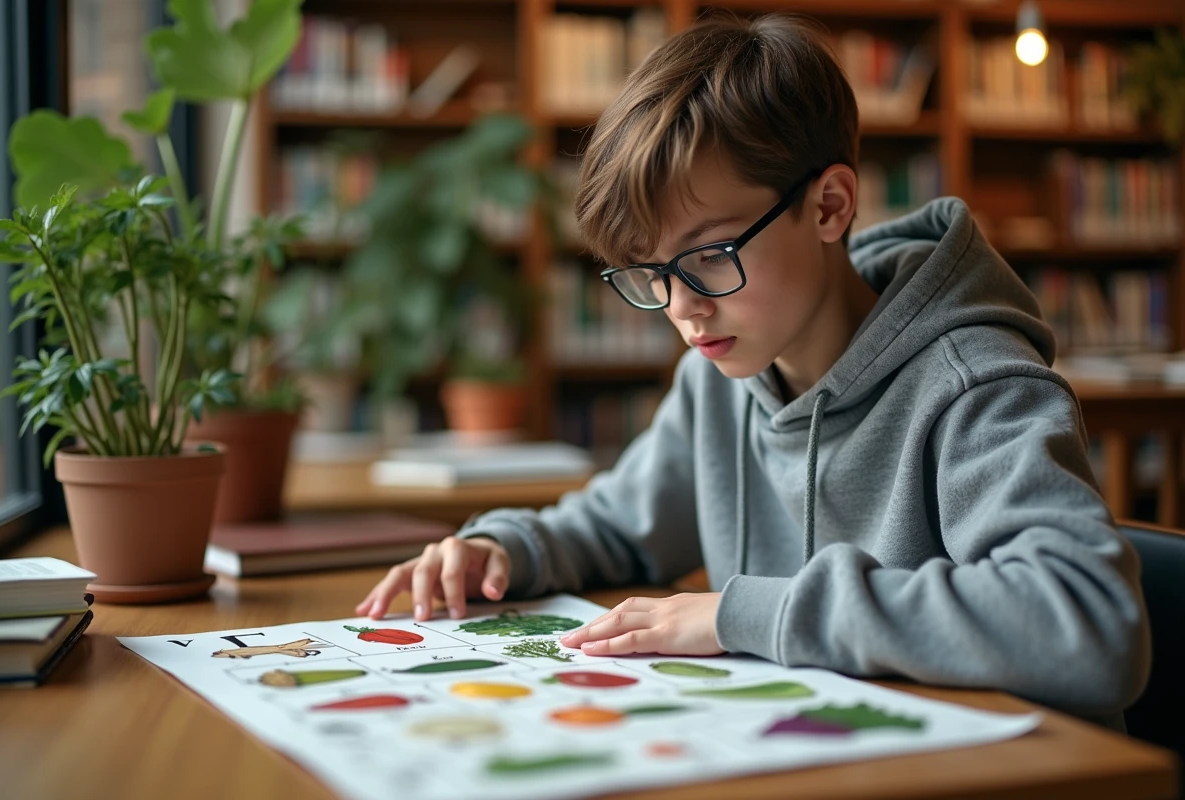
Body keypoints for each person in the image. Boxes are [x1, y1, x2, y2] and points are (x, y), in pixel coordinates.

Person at [356, 14, 1149, 730]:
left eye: (709, 256)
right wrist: (503, 549)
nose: (682, 308)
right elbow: (615, 527)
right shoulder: (721, 372)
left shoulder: (975, 382)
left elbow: (1087, 620)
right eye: (649, 271)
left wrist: (742, 615)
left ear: (831, 207)